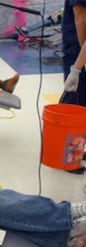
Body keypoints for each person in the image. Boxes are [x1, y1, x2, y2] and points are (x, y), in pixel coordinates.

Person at [59, 0, 86, 174]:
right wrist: (80, 62)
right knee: (75, 104)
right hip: (77, 50)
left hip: (81, 51)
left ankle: (77, 150)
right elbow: (81, 18)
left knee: (83, 104)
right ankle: (69, 158)